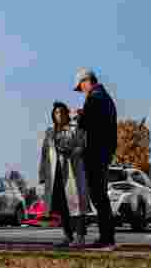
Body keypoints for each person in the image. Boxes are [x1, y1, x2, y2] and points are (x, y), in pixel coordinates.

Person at [74, 68, 117, 250]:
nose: (81, 90)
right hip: (104, 151)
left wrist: (79, 115)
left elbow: (87, 124)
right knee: (100, 195)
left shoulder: (95, 97)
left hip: (95, 151)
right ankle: (107, 236)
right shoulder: (105, 97)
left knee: (98, 195)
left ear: (86, 81)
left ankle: (106, 237)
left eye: (80, 86)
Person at [39, 102, 90, 248]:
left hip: (72, 173)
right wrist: (42, 174)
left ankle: (80, 237)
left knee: (77, 206)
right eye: (56, 113)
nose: (59, 115)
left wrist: (75, 151)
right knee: (62, 207)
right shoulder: (50, 132)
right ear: (53, 116)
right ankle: (68, 236)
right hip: (55, 174)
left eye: (62, 112)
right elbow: (44, 154)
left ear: (67, 114)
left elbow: (82, 145)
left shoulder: (75, 129)